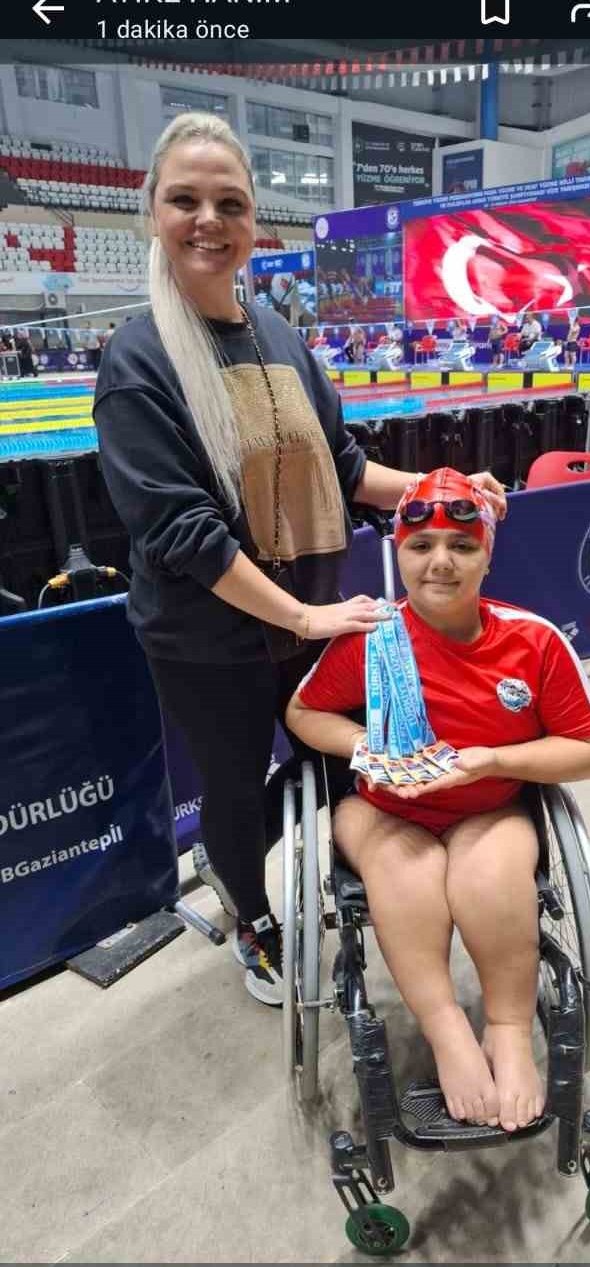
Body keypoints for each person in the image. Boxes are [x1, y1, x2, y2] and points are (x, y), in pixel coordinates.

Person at [93, 112, 506, 1008]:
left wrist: (439, 487)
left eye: (230, 203)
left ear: (253, 222)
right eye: (185, 200)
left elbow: (344, 466)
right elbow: (185, 533)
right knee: (237, 790)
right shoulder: (138, 361)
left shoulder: (278, 334)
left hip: (308, 616)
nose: (209, 220)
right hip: (210, 639)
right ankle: (251, 914)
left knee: (347, 758)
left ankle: (284, 860)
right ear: (153, 213)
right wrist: (305, 617)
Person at [286, 468, 590, 1131]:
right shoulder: (372, 638)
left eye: (462, 546)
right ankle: (449, 1035)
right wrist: (364, 747)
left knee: (491, 874)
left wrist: (495, 760)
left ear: (488, 556)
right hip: (384, 808)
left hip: (488, 804)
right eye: (421, 545)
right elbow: (302, 712)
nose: (440, 561)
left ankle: (508, 1030)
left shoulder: (534, 641)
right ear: (398, 554)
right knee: (407, 872)